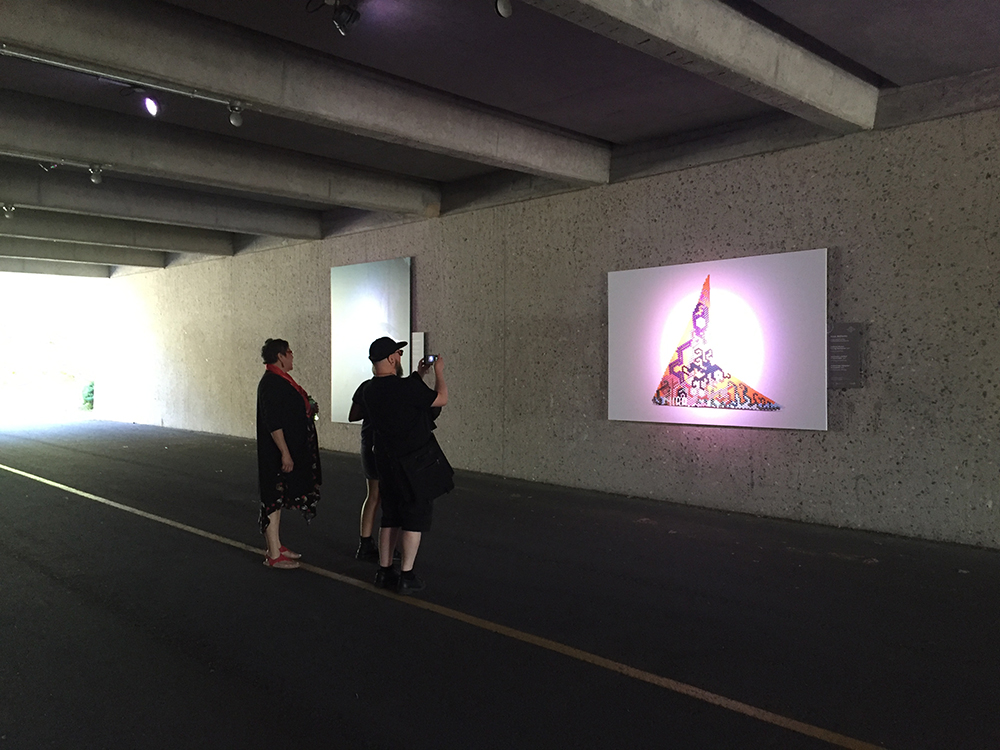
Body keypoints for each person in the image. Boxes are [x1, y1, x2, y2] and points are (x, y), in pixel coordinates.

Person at [361, 336, 447, 594]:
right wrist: (439, 373)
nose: (399, 357)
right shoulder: (405, 387)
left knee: (390, 516)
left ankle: (384, 571)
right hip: (413, 463)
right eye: (397, 354)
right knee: (414, 518)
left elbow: (400, 397)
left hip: (386, 461)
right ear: (390, 358)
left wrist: (418, 375)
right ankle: (407, 575)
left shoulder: (369, 390)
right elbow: (441, 399)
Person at [256, 338, 321, 569]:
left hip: (286, 450)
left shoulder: (281, 380)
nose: (293, 356)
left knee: (279, 497)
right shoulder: (271, 383)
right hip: (275, 453)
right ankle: (273, 555)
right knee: (272, 498)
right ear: (280, 356)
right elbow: (273, 422)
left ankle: (276, 546)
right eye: (289, 352)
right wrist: (285, 452)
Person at [348, 372, 381, 562]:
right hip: (384, 447)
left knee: (373, 495)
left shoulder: (365, 387)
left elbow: (353, 415)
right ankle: (387, 545)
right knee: (388, 498)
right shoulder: (395, 388)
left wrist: (369, 410)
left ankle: (365, 542)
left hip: (369, 443)